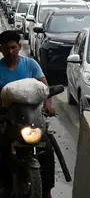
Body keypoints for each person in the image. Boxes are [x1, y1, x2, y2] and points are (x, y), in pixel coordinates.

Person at [0, 30, 55, 198]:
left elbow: (44, 89)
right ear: (1, 49)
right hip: (8, 120)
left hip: (32, 120)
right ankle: (5, 186)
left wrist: (48, 106)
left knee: (47, 149)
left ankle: (46, 191)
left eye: (14, 47)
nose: (11, 52)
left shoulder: (31, 64)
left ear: (19, 46)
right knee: (2, 149)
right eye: (7, 48)